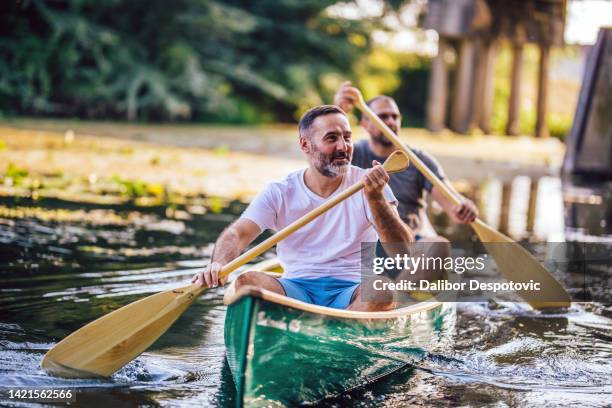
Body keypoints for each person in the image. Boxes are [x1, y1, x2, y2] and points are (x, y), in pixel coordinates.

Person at [192, 105, 413, 311]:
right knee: (247, 282)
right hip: (295, 288)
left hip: (352, 289)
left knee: (381, 290)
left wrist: (375, 200)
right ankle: (315, 326)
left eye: (347, 138)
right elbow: (237, 233)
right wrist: (218, 263)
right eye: (332, 138)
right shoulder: (280, 191)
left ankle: (333, 331)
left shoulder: (371, 184)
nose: (343, 147)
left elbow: (402, 252)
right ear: (305, 145)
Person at [334, 82, 478, 244]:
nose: (390, 122)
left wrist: (463, 207)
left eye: (394, 116)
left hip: (409, 242)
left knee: (438, 245)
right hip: (365, 242)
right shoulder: (352, 154)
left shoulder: (420, 160)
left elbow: (453, 206)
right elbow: (323, 168)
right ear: (365, 124)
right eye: (382, 117)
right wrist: (338, 111)